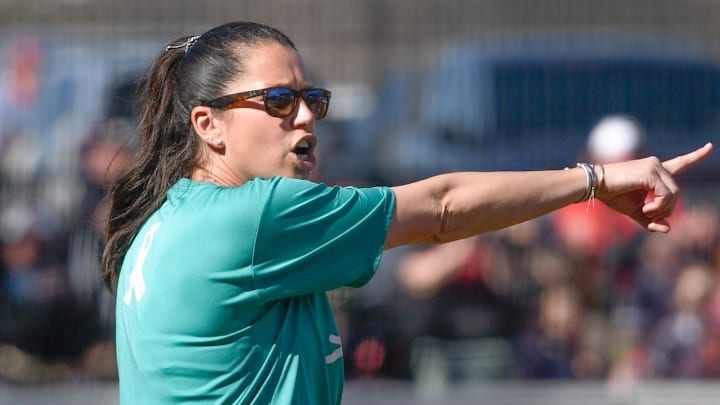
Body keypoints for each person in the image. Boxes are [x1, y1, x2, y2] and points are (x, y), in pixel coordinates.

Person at [101, 21, 713, 404]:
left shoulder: (162, 222)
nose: (307, 116)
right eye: (279, 101)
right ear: (208, 126)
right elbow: (442, 207)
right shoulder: (256, 217)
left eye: (312, 98)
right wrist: (594, 180)